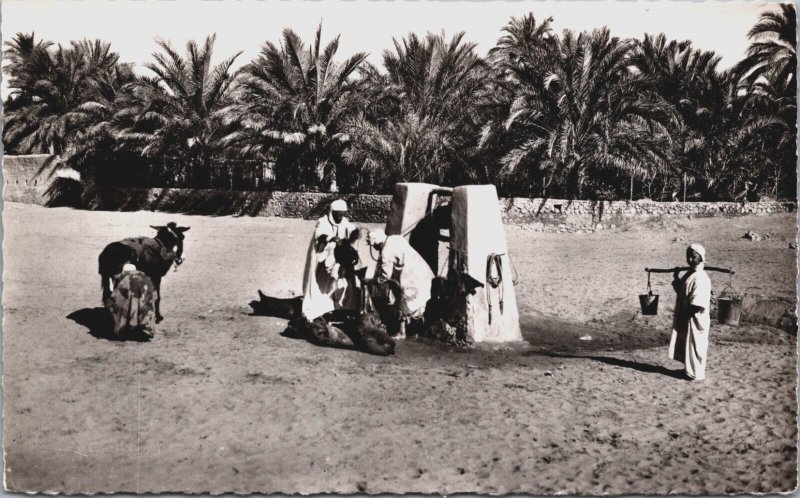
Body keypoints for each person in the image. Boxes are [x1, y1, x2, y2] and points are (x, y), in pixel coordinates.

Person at [365, 229, 434, 338]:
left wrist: (373, 281)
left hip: (412, 275)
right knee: (419, 300)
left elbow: (386, 274)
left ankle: (402, 332)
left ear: (378, 243)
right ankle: (415, 330)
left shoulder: (385, 252)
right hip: (422, 269)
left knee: (404, 301)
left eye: (374, 246)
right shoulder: (395, 238)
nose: (374, 248)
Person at [301, 199, 361, 321]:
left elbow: (350, 229)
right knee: (322, 284)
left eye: (343, 214)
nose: (341, 217)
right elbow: (320, 235)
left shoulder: (344, 221)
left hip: (338, 259)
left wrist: (355, 232)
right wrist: (331, 238)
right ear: (332, 212)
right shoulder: (323, 221)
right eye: (338, 214)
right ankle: (321, 308)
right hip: (323, 259)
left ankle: (340, 308)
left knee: (340, 282)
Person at [668, 243, 712, 381]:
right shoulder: (690, 274)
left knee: (697, 344)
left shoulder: (701, 277)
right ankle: (689, 370)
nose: (690, 260)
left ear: (701, 258)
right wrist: (676, 277)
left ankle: (696, 374)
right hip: (689, 317)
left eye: (693, 257)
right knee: (689, 344)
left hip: (696, 317)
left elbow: (696, 304)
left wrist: (684, 317)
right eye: (688, 257)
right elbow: (682, 291)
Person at [107, 263, 156, 338]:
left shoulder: (122, 277)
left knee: (121, 304)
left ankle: (123, 327)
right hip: (146, 291)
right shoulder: (145, 277)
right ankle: (147, 326)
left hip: (128, 291)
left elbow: (115, 294)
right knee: (146, 306)